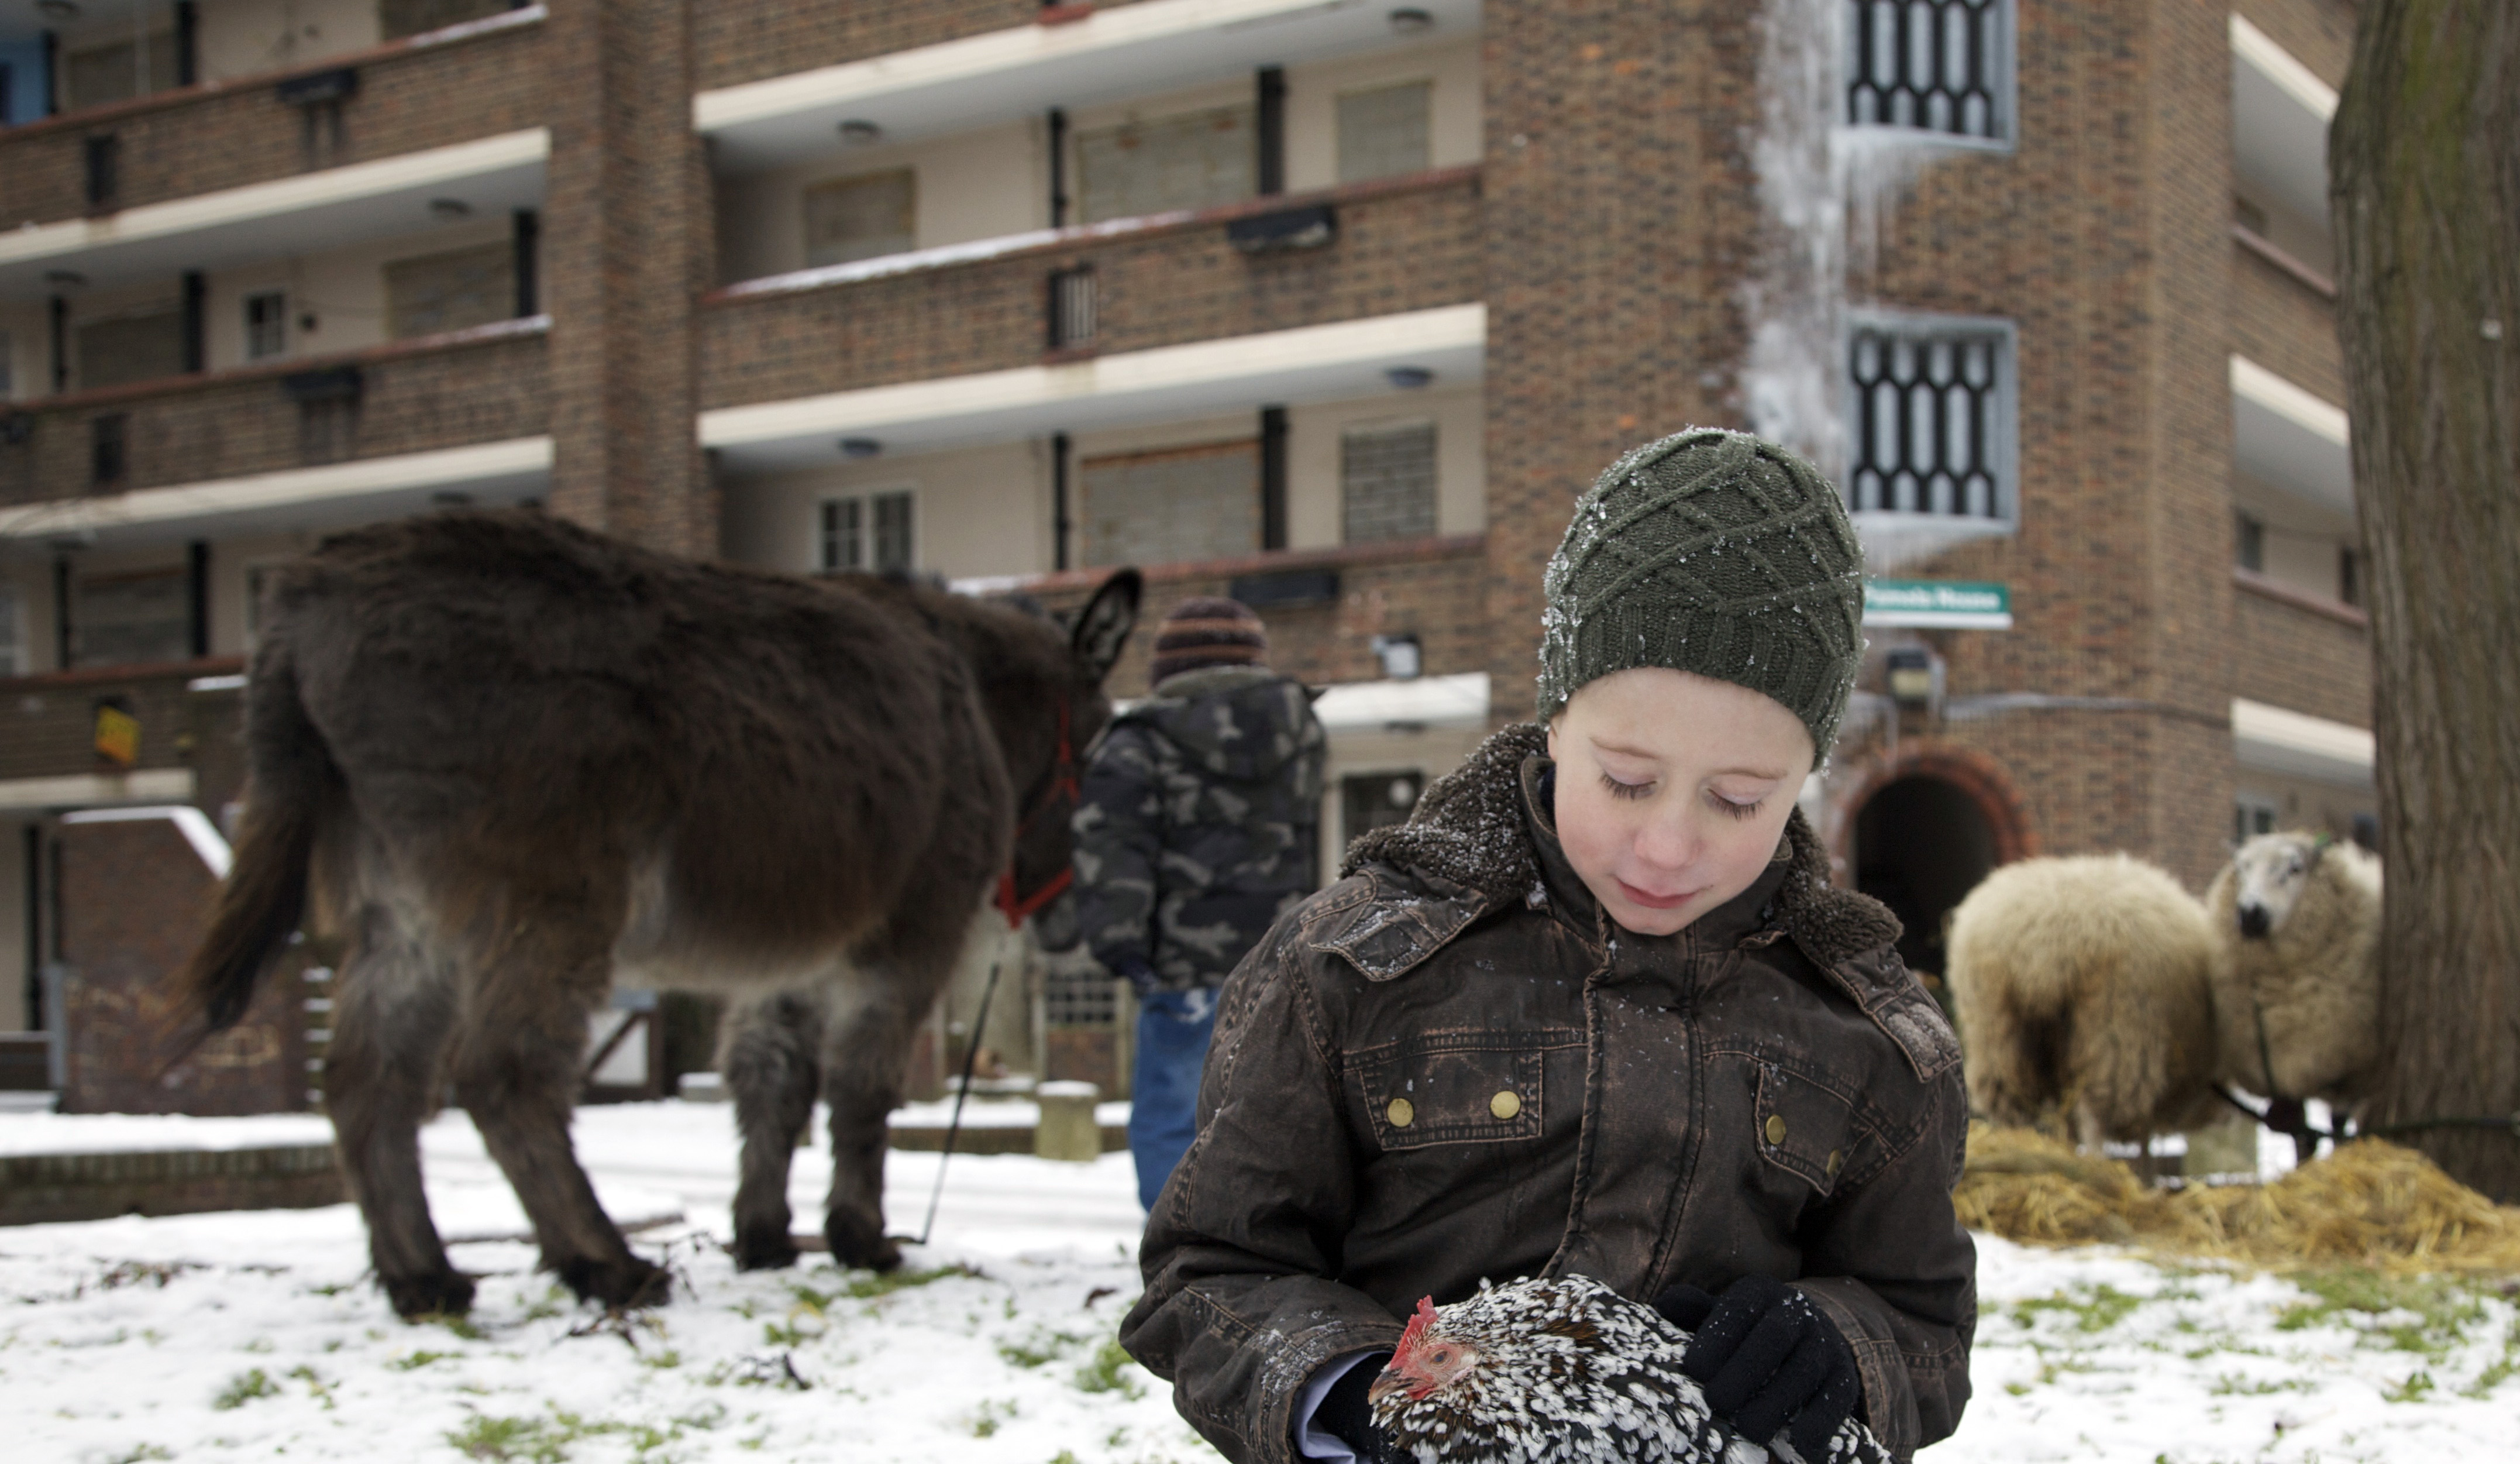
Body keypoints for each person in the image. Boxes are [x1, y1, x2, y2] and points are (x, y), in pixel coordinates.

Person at [1120, 429, 1975, 1463]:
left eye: (1739, 798)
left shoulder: (1870, 1028)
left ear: (1807, 776)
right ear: (1556, 721)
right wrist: (1359, 1401)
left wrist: (1841, 1346)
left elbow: (1925, 1323)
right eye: (1626, 779)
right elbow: (1209, 1269)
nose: (1667, 845)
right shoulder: (1352, 963)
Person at [1072, 596, 1327, 1211]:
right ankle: (1265, 1237)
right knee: (1277, 1111)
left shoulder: (1138, 743)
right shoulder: (1299, 730)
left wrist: (1121, 945)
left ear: (1167, 670)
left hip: (1182, 966)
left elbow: (1112, 846)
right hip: (1285, 960)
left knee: (1174, 1115)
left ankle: (1180, 1243)